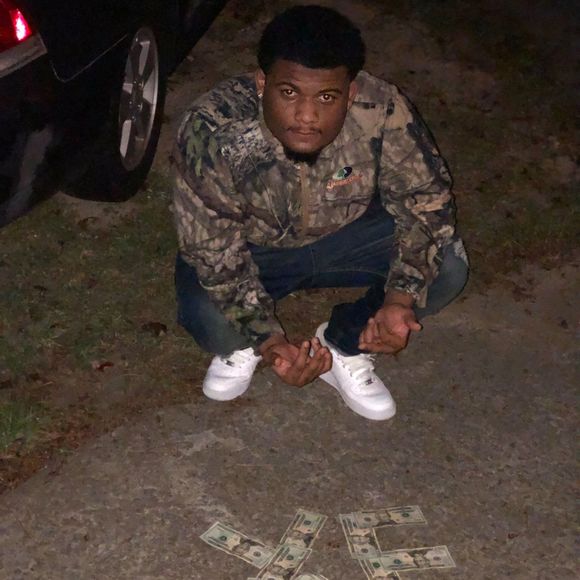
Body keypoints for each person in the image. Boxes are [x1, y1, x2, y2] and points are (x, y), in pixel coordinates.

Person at [172, 5, 468, 421]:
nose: (307, 116)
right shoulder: (213, 129)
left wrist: (399, 298)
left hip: (350, 237)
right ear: (263, 83)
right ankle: (244, 347)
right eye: (289, 93)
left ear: (350, 93)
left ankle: (345, 343)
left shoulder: (381, 109)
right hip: (254, 251)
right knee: (211, 322)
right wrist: (271, 342)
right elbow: (212, 251)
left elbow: (426, 203)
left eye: (327, 97)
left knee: (449, 267)